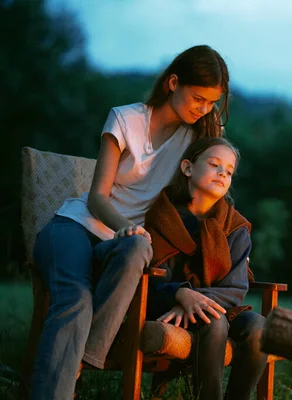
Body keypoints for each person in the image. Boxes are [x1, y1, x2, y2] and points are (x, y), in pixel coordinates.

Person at [30, 45, 230, 400]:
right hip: (76, 228)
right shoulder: (125, 119)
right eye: (198, 98)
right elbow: (97, 198)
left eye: (211, 102)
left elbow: (216, 174)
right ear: (173, 83)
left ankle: (83, 359)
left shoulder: (193, 142)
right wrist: (124, 225)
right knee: (76, 300)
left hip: (129, 244)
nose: (203, 109)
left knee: (140, 245)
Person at [144, 137, 267, 400]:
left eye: (229, 171)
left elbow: (235, 289)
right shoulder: (162, 217)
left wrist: (193, 300)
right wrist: (180, 294)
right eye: (214, 164)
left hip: (217, 306)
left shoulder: (235, 227)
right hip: (165, 307)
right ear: (188, 168)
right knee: (214, 322)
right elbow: (150, 278)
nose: (223, 173)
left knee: (259, 326)